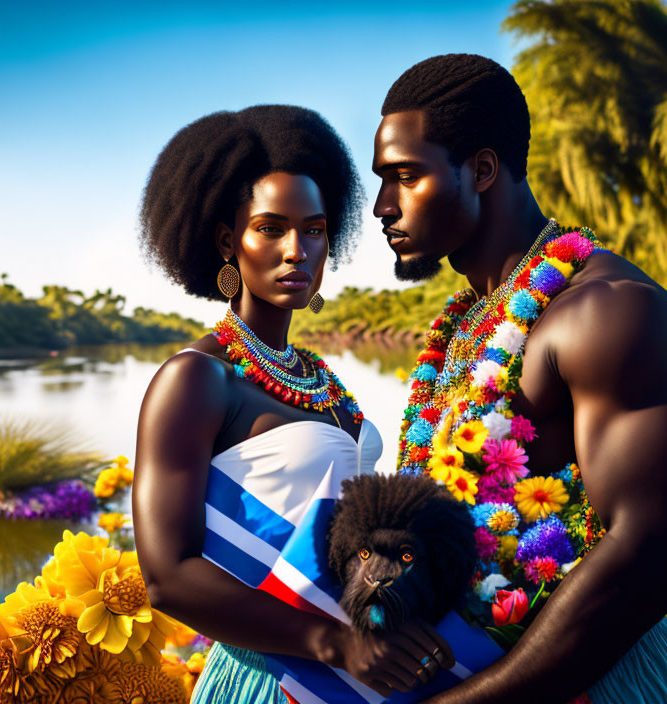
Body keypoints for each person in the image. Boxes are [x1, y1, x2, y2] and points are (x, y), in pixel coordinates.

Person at [372, 54, 667, 703]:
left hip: (595, 680)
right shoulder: (469, 322)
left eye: (405, 177)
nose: (384, 206)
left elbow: (654, 557)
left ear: (483, 169)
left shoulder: (608, 312)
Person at [131, 104, 452, 704]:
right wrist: (333, 644)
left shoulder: (322, 379)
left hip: (358, 677)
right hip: (270, 678)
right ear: (230, 240)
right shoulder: (197, 380)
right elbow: (167, 577)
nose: (297, 250)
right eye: (271, 228)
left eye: (314, 229)